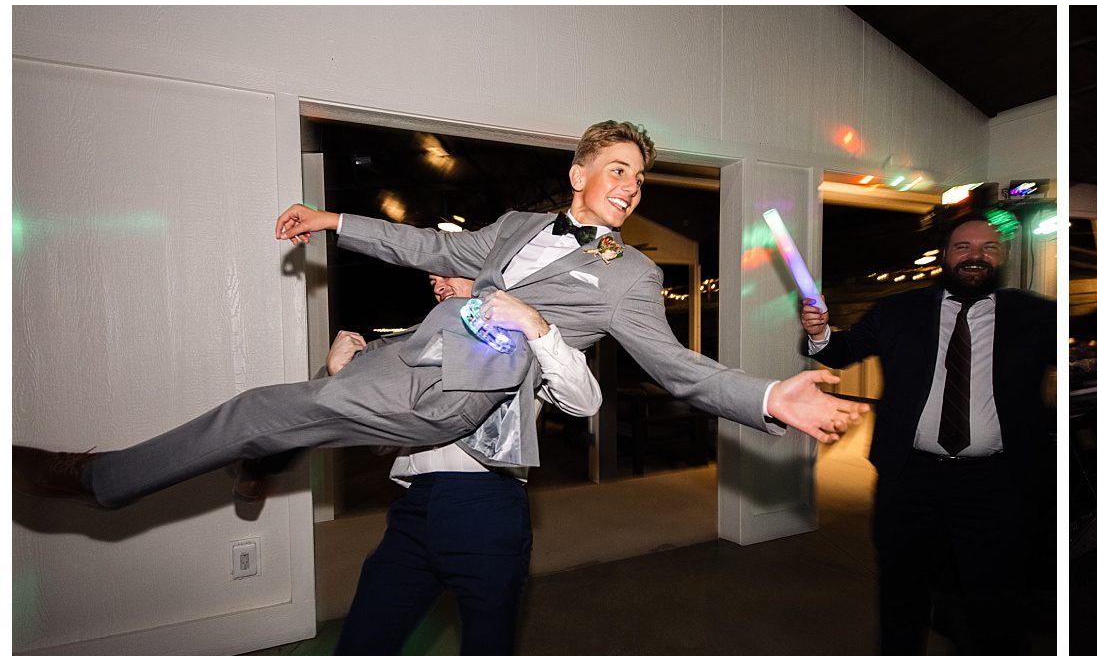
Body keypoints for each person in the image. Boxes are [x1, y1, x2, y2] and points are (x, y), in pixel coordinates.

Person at [17, 120, 855, 511]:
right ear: (578, 174)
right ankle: (254, 459)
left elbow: (679, 368)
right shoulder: (522, 225)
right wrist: (334, 222)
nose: (631, 188)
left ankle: (98, 476)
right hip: (414, 360)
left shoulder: (631, 275)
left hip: (465, 391)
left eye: (639, 179)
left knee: (262, 411)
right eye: (618, 170)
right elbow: (429, 251)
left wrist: (771, 397)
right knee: (281, 409)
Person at [798, 212, 1054, 656]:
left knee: (992, 589)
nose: (975, 255)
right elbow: (839, 351)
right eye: (962, 247)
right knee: (900, 581)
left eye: (988, 247)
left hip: (994, 482)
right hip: (909, 477)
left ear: (1000, 258)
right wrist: (820, 331)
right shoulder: (899, 310)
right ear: (944, 256)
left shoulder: (1039, 315)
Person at [318, 262, 598, 656]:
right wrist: (343, 377)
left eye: (451, 274)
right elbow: (378, 442)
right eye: (432, 280)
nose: (438, 285)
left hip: (486, 506)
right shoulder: (414, 344)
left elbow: (584, 402)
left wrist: (536, 325)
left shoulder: (520, 340)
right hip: (413, 513)